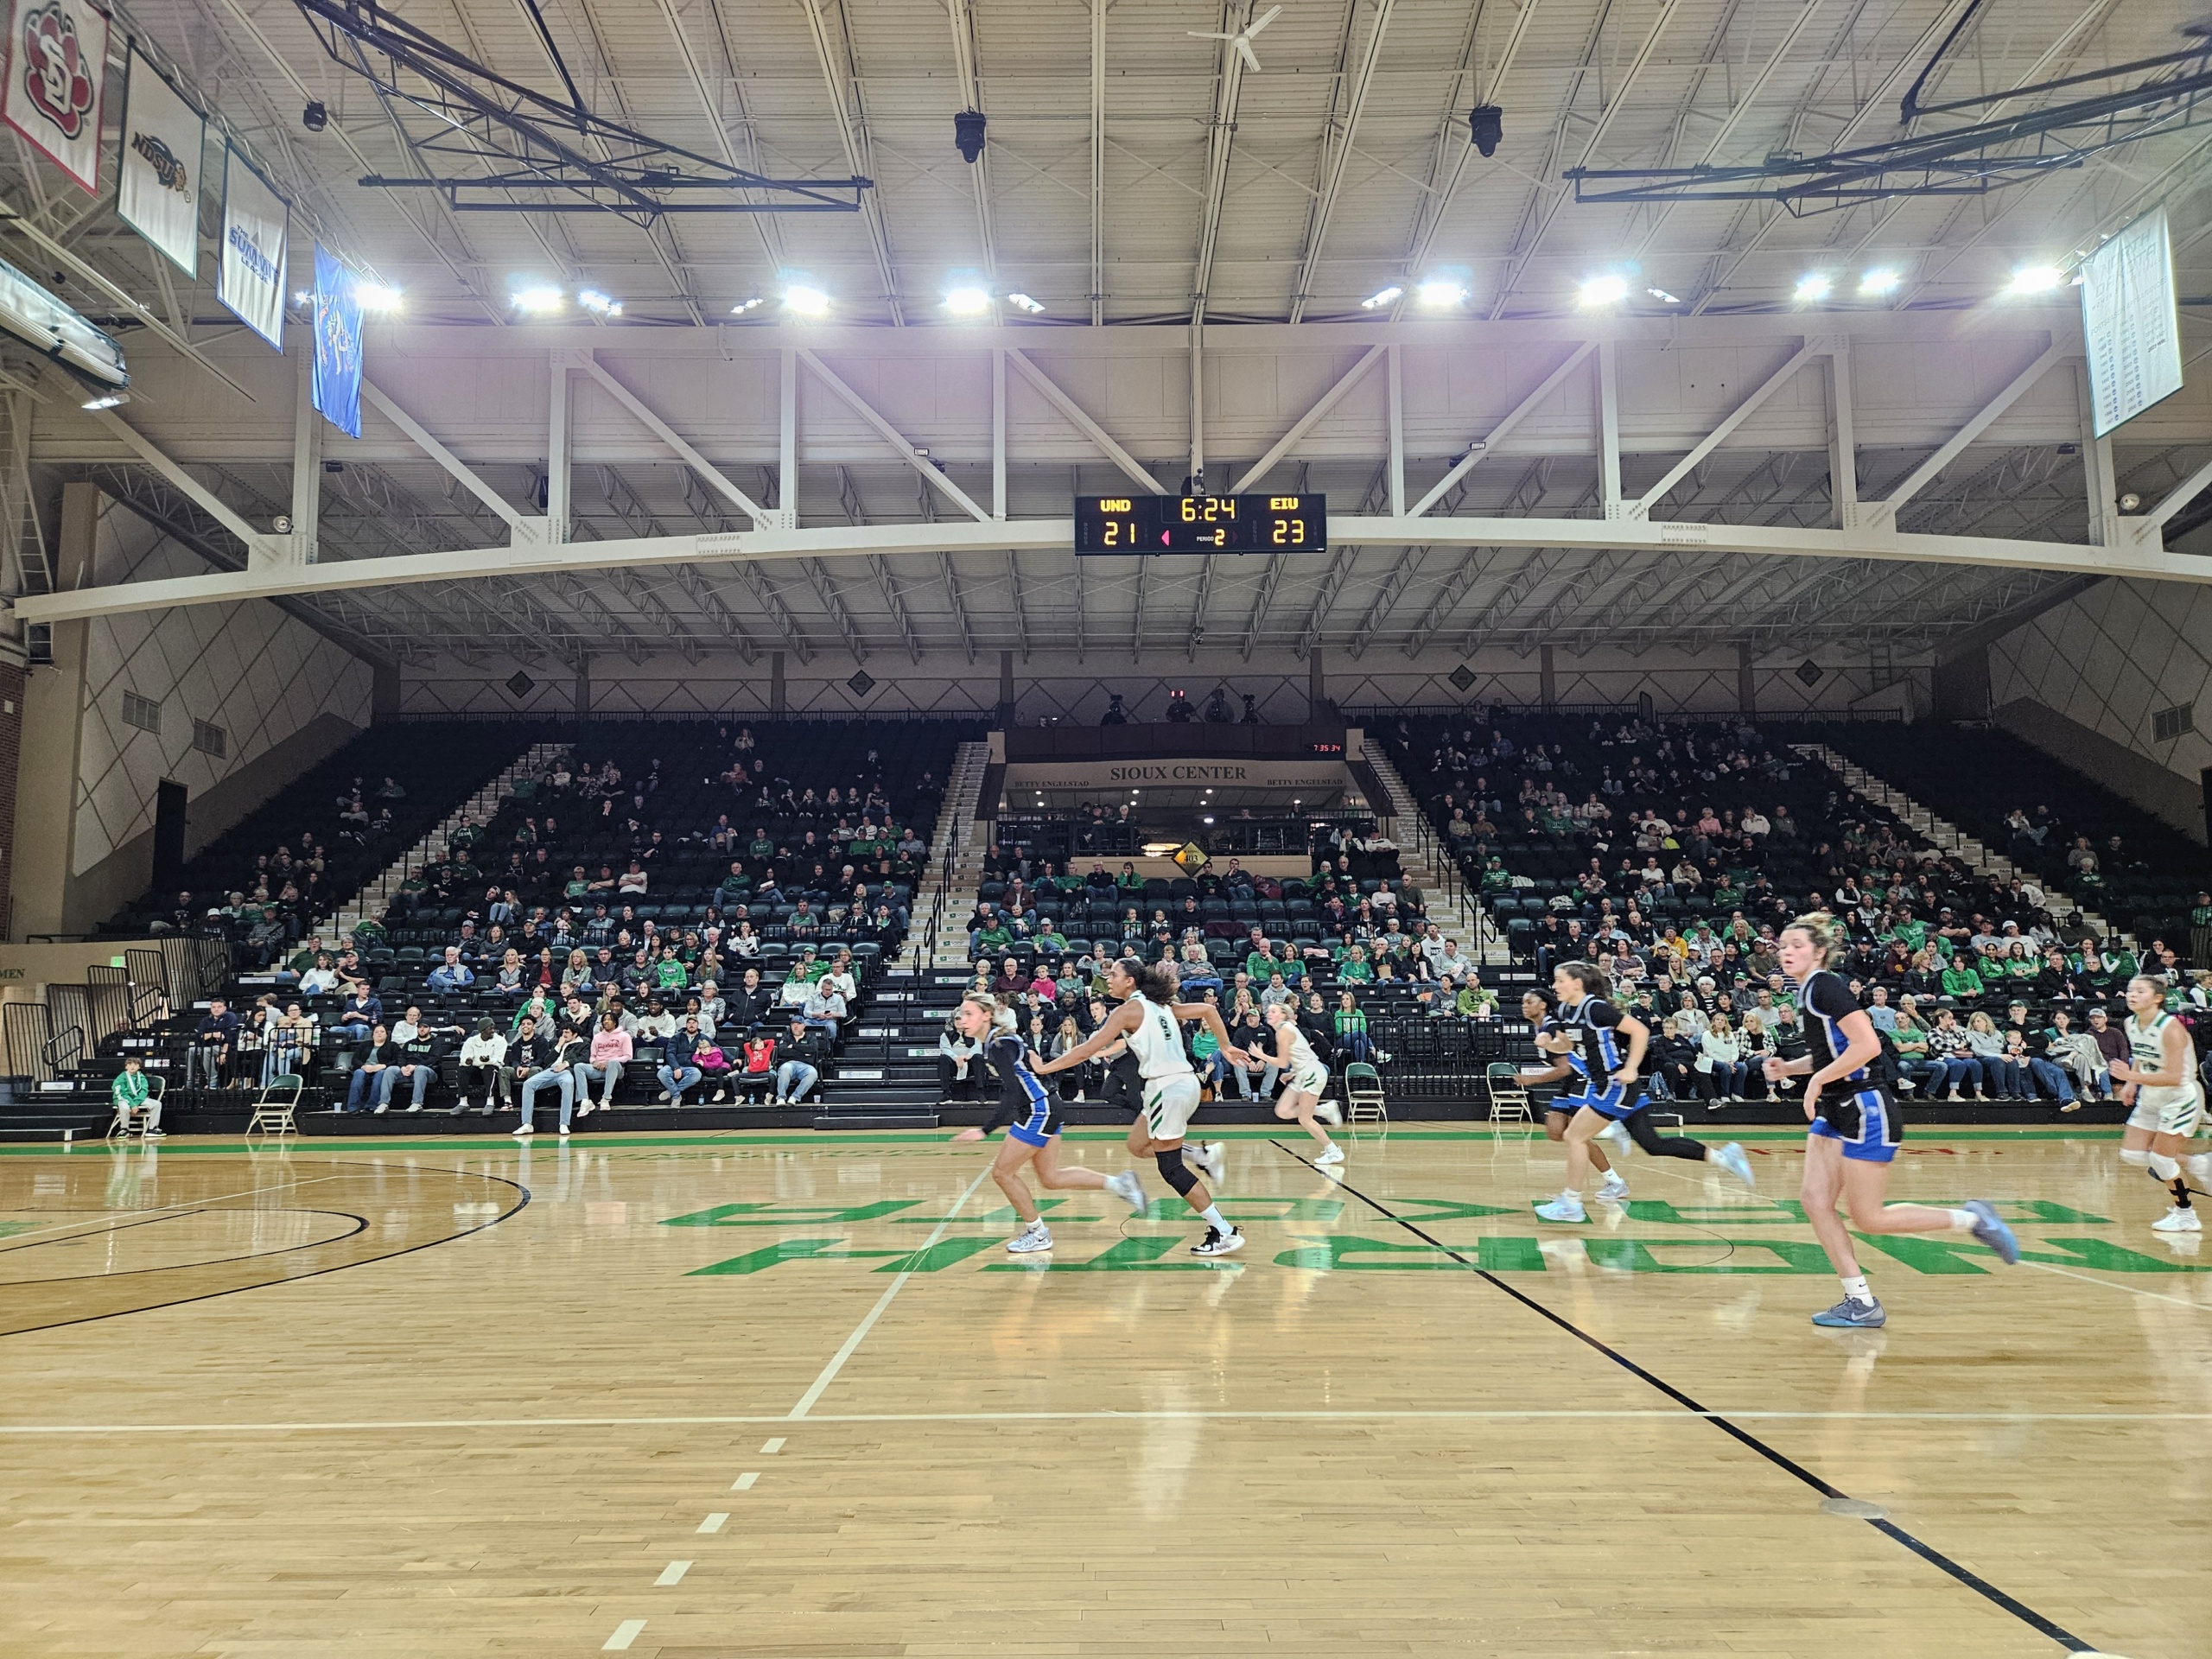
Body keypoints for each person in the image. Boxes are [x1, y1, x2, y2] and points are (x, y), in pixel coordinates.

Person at [1764, 912, 2019, 1329]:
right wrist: (1792, 1069)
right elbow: (1834, 1054)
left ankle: (1974, 1219)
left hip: (1865, 1106)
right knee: (1814, 1201)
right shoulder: (1810, 992)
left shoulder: (1824, 986)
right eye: (1783, 945)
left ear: (1819, 952)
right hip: (1837, 1105)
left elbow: (1866, 1045)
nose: (1787, 951)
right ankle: (1859, 1301)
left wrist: (1815, 1083)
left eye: (1797, 945)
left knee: (1869, 1218)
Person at [1033, 957, 1253, 1257]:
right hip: (1175, 1085)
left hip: (1167, 1087)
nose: (1107, 978)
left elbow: (1088, 1049)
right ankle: (1202, 1155)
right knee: (1137, 1144)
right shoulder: (1160, 1005)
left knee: (1171, 1168)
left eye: (1114, 974)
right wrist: (1225, 1046)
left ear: (1130, 981)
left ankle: (1223, 1231)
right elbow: (1208, 1009)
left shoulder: (1129, 1010)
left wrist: (1045, 1068)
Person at [1534, 961, 1755, 1225]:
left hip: (1615, 1085)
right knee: (1654, 1145)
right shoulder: (1568, 1010)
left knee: (1574, 1136)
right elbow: (1570, 1043)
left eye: (1560, 980)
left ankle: (1571, 1203)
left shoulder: (1595, 1007)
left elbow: (1640, 1030)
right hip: (1607, 1086)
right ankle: (1724, 1158)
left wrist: (1631, 1067)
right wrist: (1553, 1043)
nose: (1555, 986)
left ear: (1577, 984)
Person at [947, 994, 1147, 1253]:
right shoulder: (997, 1041)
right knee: (1050, 1177)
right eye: (961, 1014)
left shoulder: (998, 1044)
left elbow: (1012, 1093)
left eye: (969, 1013)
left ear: (986, 1015)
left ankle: (1038, 1232)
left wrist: (984, 1130)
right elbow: (1026, 1067)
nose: (963, 1019)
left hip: (1037, 1111)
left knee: (1002, 1173)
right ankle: (1120, 1184)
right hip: (1046, 1106)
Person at [2110, 974, 2210, 1235]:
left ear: (2158, 998)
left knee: (2162, 1160)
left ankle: (2185, 1214)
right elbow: (2142, 1056)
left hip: (2180, 1097)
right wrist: (2132, 1085)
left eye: (2141, 991)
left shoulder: (2172, 1028)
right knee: (2132, 1155)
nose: (2133, 994)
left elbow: (2175, 1076)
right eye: (2130, 989)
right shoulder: (2131, 1022)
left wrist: (2130, 1077)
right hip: (2151, 1095)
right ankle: (2199, 1164)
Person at [1519, 989, 1624, 1201]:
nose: (1524, 1005)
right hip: (1570, 1083)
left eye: (1530, 1001)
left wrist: (1532, 1080)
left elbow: (1565, 1068)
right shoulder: (1541, 1025)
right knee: (1555, 1131)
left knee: (1577, 1135)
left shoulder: (1550, 1026)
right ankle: (1609, 1141)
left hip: (1583, 1079)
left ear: (1543, 1005)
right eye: (1523, 1001)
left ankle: (1613, 1172)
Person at [1262, 1001, 1344, 1165]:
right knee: (1283, 1111)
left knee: (1305, 1119)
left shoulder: (1283, 1031)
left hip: (1312, 1073)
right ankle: (1323, 1109)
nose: (1269, 1014)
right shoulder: (1285, 1029)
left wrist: (1260, 1054)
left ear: (1283, 1015)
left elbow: (1283, 1062)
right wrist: (1292, 1072)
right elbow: (1302, 1052)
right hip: (1303, 1072)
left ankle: (1333, 1151)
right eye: (1268, 1011)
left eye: (1274, 1011)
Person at [573, 1011, 631, 1116]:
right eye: (604, 1020)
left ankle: (606, 1099)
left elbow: (628, 1056)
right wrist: (595, 1062)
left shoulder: (624, 1036)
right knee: (578, 1066)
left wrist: (608, 1062)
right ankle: (585, 1101)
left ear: (615, 1023)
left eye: (609, 1020)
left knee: (613, 1062)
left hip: (616, 1068)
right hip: (598, 1068)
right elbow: (592, 1056)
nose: (606, 1022)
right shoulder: (597, 1037)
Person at [659, 1015, 713, 1107]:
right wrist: (676, 1067)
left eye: (694, 1023)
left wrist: (732, 1059)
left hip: (691, 1067)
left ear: (698, 1024)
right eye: (689, 1023)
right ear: (686, 1024)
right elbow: (670, 1053)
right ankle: (676, 1096)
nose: (691, 1025)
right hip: (674, 1065)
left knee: (697, 1074)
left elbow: (718, 1048)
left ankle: (672, 1092)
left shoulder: (703, 1038)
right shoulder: (676, 1037)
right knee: (662, 1073)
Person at [343, 1025, 397, 1114]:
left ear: (387, 1034)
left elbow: (397, 1060)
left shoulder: (393, 1046)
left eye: (382, 1031)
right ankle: (353, 1107)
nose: (379, 1033)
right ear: (373, 1035)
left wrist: (384, 1065)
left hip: (380, 1069)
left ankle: (371, 1106)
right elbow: (355, 1059)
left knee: (381, 1074)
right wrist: (363, 1066)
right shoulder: (364, 1044)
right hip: (365, 1069)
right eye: (376, 1032)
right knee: (358, 1073)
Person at [457, 1020, 509, 1113]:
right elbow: (463, 1060)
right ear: (482, 1030)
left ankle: (490, 1102)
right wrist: (468, 1062)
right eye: (490, 1028)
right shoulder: (471, 1041)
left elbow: (498, 1061)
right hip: (476, 1072)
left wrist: (485, 1061)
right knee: (463, 1069)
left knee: (489, 1068)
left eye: (494, 1028)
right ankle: (463, 1102)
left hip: (494, 1073)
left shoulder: (500, 1040)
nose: (493, 1031)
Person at [187, 998, 238, 1089]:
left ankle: (213, 1081)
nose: (216, 1009)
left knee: (206, 1051)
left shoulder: (230, 1017)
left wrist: (223, 1053)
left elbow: (228, 1038)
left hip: (221, 1047)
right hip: (205, 1045)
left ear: (225, 1008)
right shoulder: (206, 1020)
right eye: (213, 1007)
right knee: (191, 1050)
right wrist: (213, 1034)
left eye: (219, 1007)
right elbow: (200, 1036)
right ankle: (191, 1081)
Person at [111, 1055, 160, 1138]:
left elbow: (144, 1091)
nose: (132, 1066)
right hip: (123, 1099)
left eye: (135, 1064)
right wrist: (132, 1104)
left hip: (137, 1099)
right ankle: (124, 1129)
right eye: (130, 1064)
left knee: (157, 1104)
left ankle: (152, 1129)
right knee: (125, 1107)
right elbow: (121, 1093)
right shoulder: (121, 1077)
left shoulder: (142, 1077)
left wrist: (136, 1103)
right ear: (126, 1067)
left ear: (139, 1067)